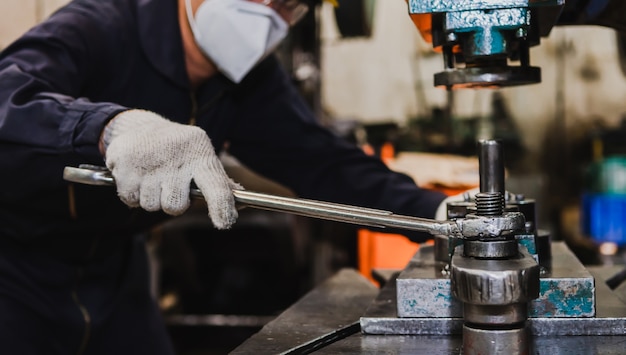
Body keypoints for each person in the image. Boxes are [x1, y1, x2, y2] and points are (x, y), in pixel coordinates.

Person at [0, 0, 450, 353]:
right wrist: (108, 127)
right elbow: (6, 95)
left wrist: (436, 211)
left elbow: (323, 161)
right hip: (17, 270)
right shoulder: (102, 25)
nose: (271, 11)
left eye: (290, 4)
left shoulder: (249, 80)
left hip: (116, 276)